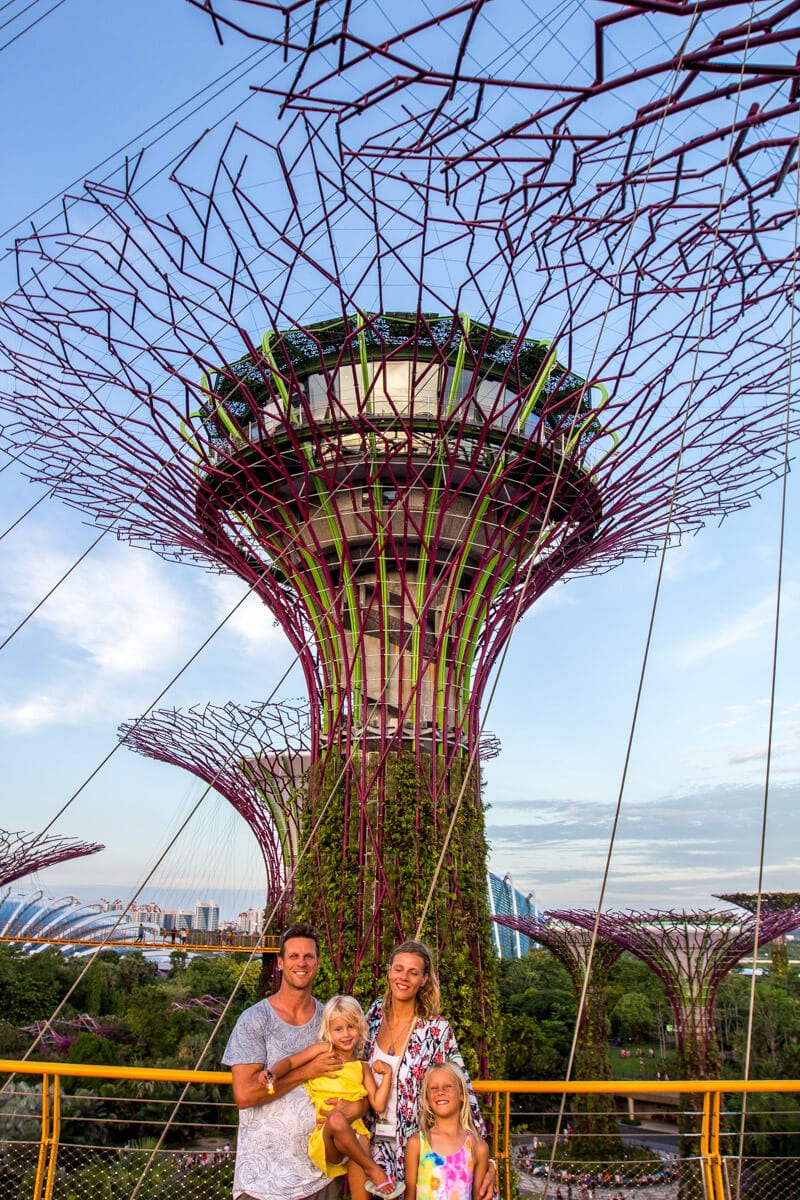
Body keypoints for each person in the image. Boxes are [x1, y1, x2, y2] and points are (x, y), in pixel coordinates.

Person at [223, 923, 363, 1200]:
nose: (301, 963)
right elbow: (245, 1094)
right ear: (280, 963)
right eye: (294, 956)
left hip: (319, 1179)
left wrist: (354, 1108)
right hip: (262, 1182)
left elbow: (358, 1082)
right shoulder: (254, 1020)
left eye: (308, 956)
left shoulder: (331, 1022)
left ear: (317, 963)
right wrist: (306, 1071)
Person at [356, 940, 495, 1199]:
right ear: (389, 972)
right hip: (372, 1143)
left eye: (413, 972)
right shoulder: (374, 1015)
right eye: (399, 969)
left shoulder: (435, 1030)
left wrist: (488, 1160)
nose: (404, 977)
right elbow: (354, 1064)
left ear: (423, 980)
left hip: (415, 1148)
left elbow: (462, 1088)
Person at [262, 995, 402, 1199]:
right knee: (337, 1119)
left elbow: (378, 1104)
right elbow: (292, 1062)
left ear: (360, 1028)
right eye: (338, 1029)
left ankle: (367, 1168)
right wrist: (273, 1073)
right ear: (328, 1031)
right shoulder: (324, 1052)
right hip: (328, 1137)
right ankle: (373, 1169)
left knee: (361, 1194)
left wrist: (388, 1074)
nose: (345, 1034)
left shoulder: (362, 1067)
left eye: (351, 1027)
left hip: (356, 1136)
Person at [403, 1062, 489, 1199]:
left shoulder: (478, 1147)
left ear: (462, 1095)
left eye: (447, 1087)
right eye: (433, 1088)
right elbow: (410, 1195)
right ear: (427, 1098)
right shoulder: (417, 1144)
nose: (440, 1092)